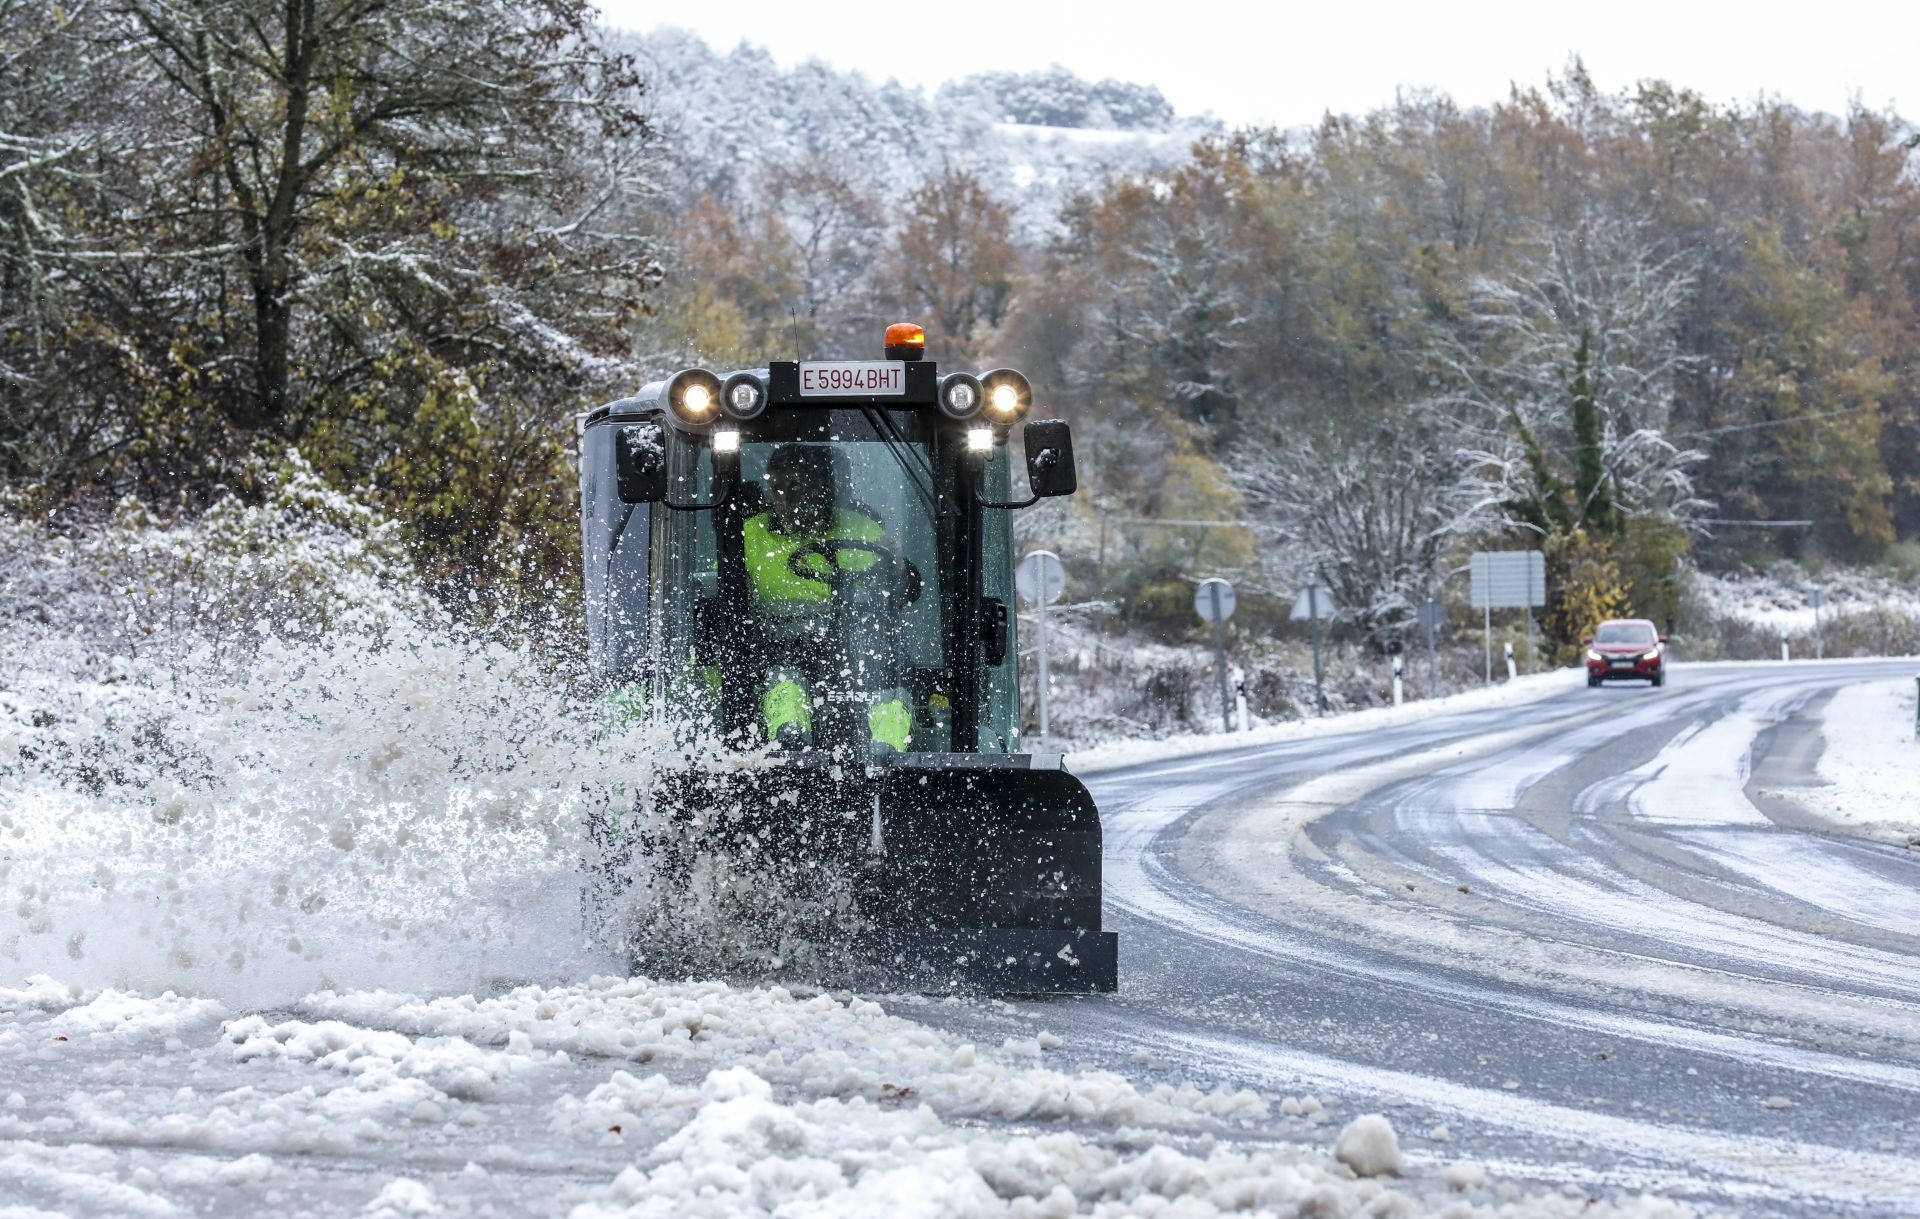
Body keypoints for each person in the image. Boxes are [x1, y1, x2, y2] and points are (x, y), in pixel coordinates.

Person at [743, 444, 913, 753]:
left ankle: (888, 755)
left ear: (823, 486)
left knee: (892, 671)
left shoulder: (863, 530)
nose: (783, 499)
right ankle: (789, 749)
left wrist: (900, 568)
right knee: (785, 678)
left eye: (794, 486)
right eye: (776, 488)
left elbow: (898, 589)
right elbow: (722, 591)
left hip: (854, 651)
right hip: (780, 645)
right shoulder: (751, 536)